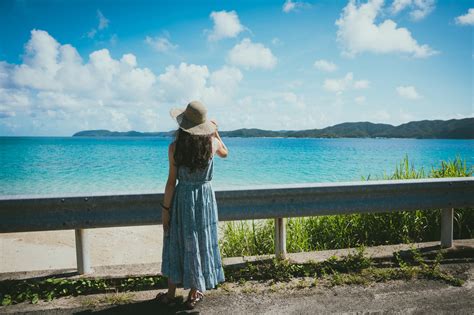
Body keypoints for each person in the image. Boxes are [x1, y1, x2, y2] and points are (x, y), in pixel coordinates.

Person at [156, 100, 228, 309]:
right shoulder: (212, 144)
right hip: (204, 200)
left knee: (176, 241)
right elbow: (226, 153)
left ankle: (170, 294)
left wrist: (165, 211)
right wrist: (215, 133)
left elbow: (171, 182)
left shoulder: (174, 148)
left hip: (182, 199)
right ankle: (194, 294)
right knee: (201, 241)